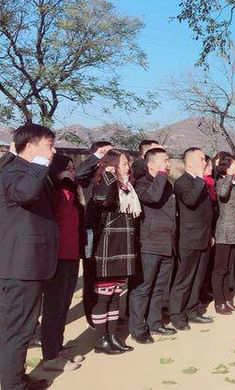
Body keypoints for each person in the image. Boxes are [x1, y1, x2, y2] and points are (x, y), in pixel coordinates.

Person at [0, 124, 57, 390]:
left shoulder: (19, 169)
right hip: (22, 265)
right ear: (31, 145)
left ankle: (15, 378)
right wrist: (39, 162)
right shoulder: (16, 171)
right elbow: (24, 194)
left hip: (24, 263)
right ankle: (13, 385)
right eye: (49, 145)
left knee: (17, 327)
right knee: (19, 329)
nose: (53, 151)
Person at [89, 150, 141, 354]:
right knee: (104, 295)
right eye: (123, 164)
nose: (127, 167)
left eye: (127, 164)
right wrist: (109, 175)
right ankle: (100, 339)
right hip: (107, 244)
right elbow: (104, 200)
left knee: (116, 293)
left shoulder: (128, 186)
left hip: (124, 244)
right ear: (111, 165)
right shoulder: (103, 183)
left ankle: (112, 336)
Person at [40, 155, 86, 372]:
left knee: (64, 305)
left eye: (73, 168)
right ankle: (49, 356)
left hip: (72, 255)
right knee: (53, 307)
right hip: (56, 258)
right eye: (66, 168)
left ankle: (57, 348)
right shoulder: (52, 193)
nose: (71, 172)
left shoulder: (73, 192)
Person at [129, 147, 178, 345]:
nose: (168, 164)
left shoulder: (166, 183)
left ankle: (154, 322)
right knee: (143, 288)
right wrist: (161, 176)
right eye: (164, 160)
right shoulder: (141, 183)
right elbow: (153, 197)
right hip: (149, 244)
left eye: (168, 160)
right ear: (151, 165)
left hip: (167, 242)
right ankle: (138, 328)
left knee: (159, 288)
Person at [169, 148, 214, 330]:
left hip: (204, 236)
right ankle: (177, 315)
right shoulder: (182, 182)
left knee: (198, 278)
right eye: (201, 160)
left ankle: (193, 310)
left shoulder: (200, 182)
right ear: (189, 163)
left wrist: (210, 234)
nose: (205, 163)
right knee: (184, 279)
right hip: (189, 238)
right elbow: (190, 200)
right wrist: (200, 180)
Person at [212, 154, 235, 314]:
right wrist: (229, 176)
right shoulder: (222, 182)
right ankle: (219, 301)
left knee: (228, 268)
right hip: (225, 230)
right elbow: (222, 194)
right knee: (220, 268)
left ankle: (227, 299)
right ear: (226, 168)